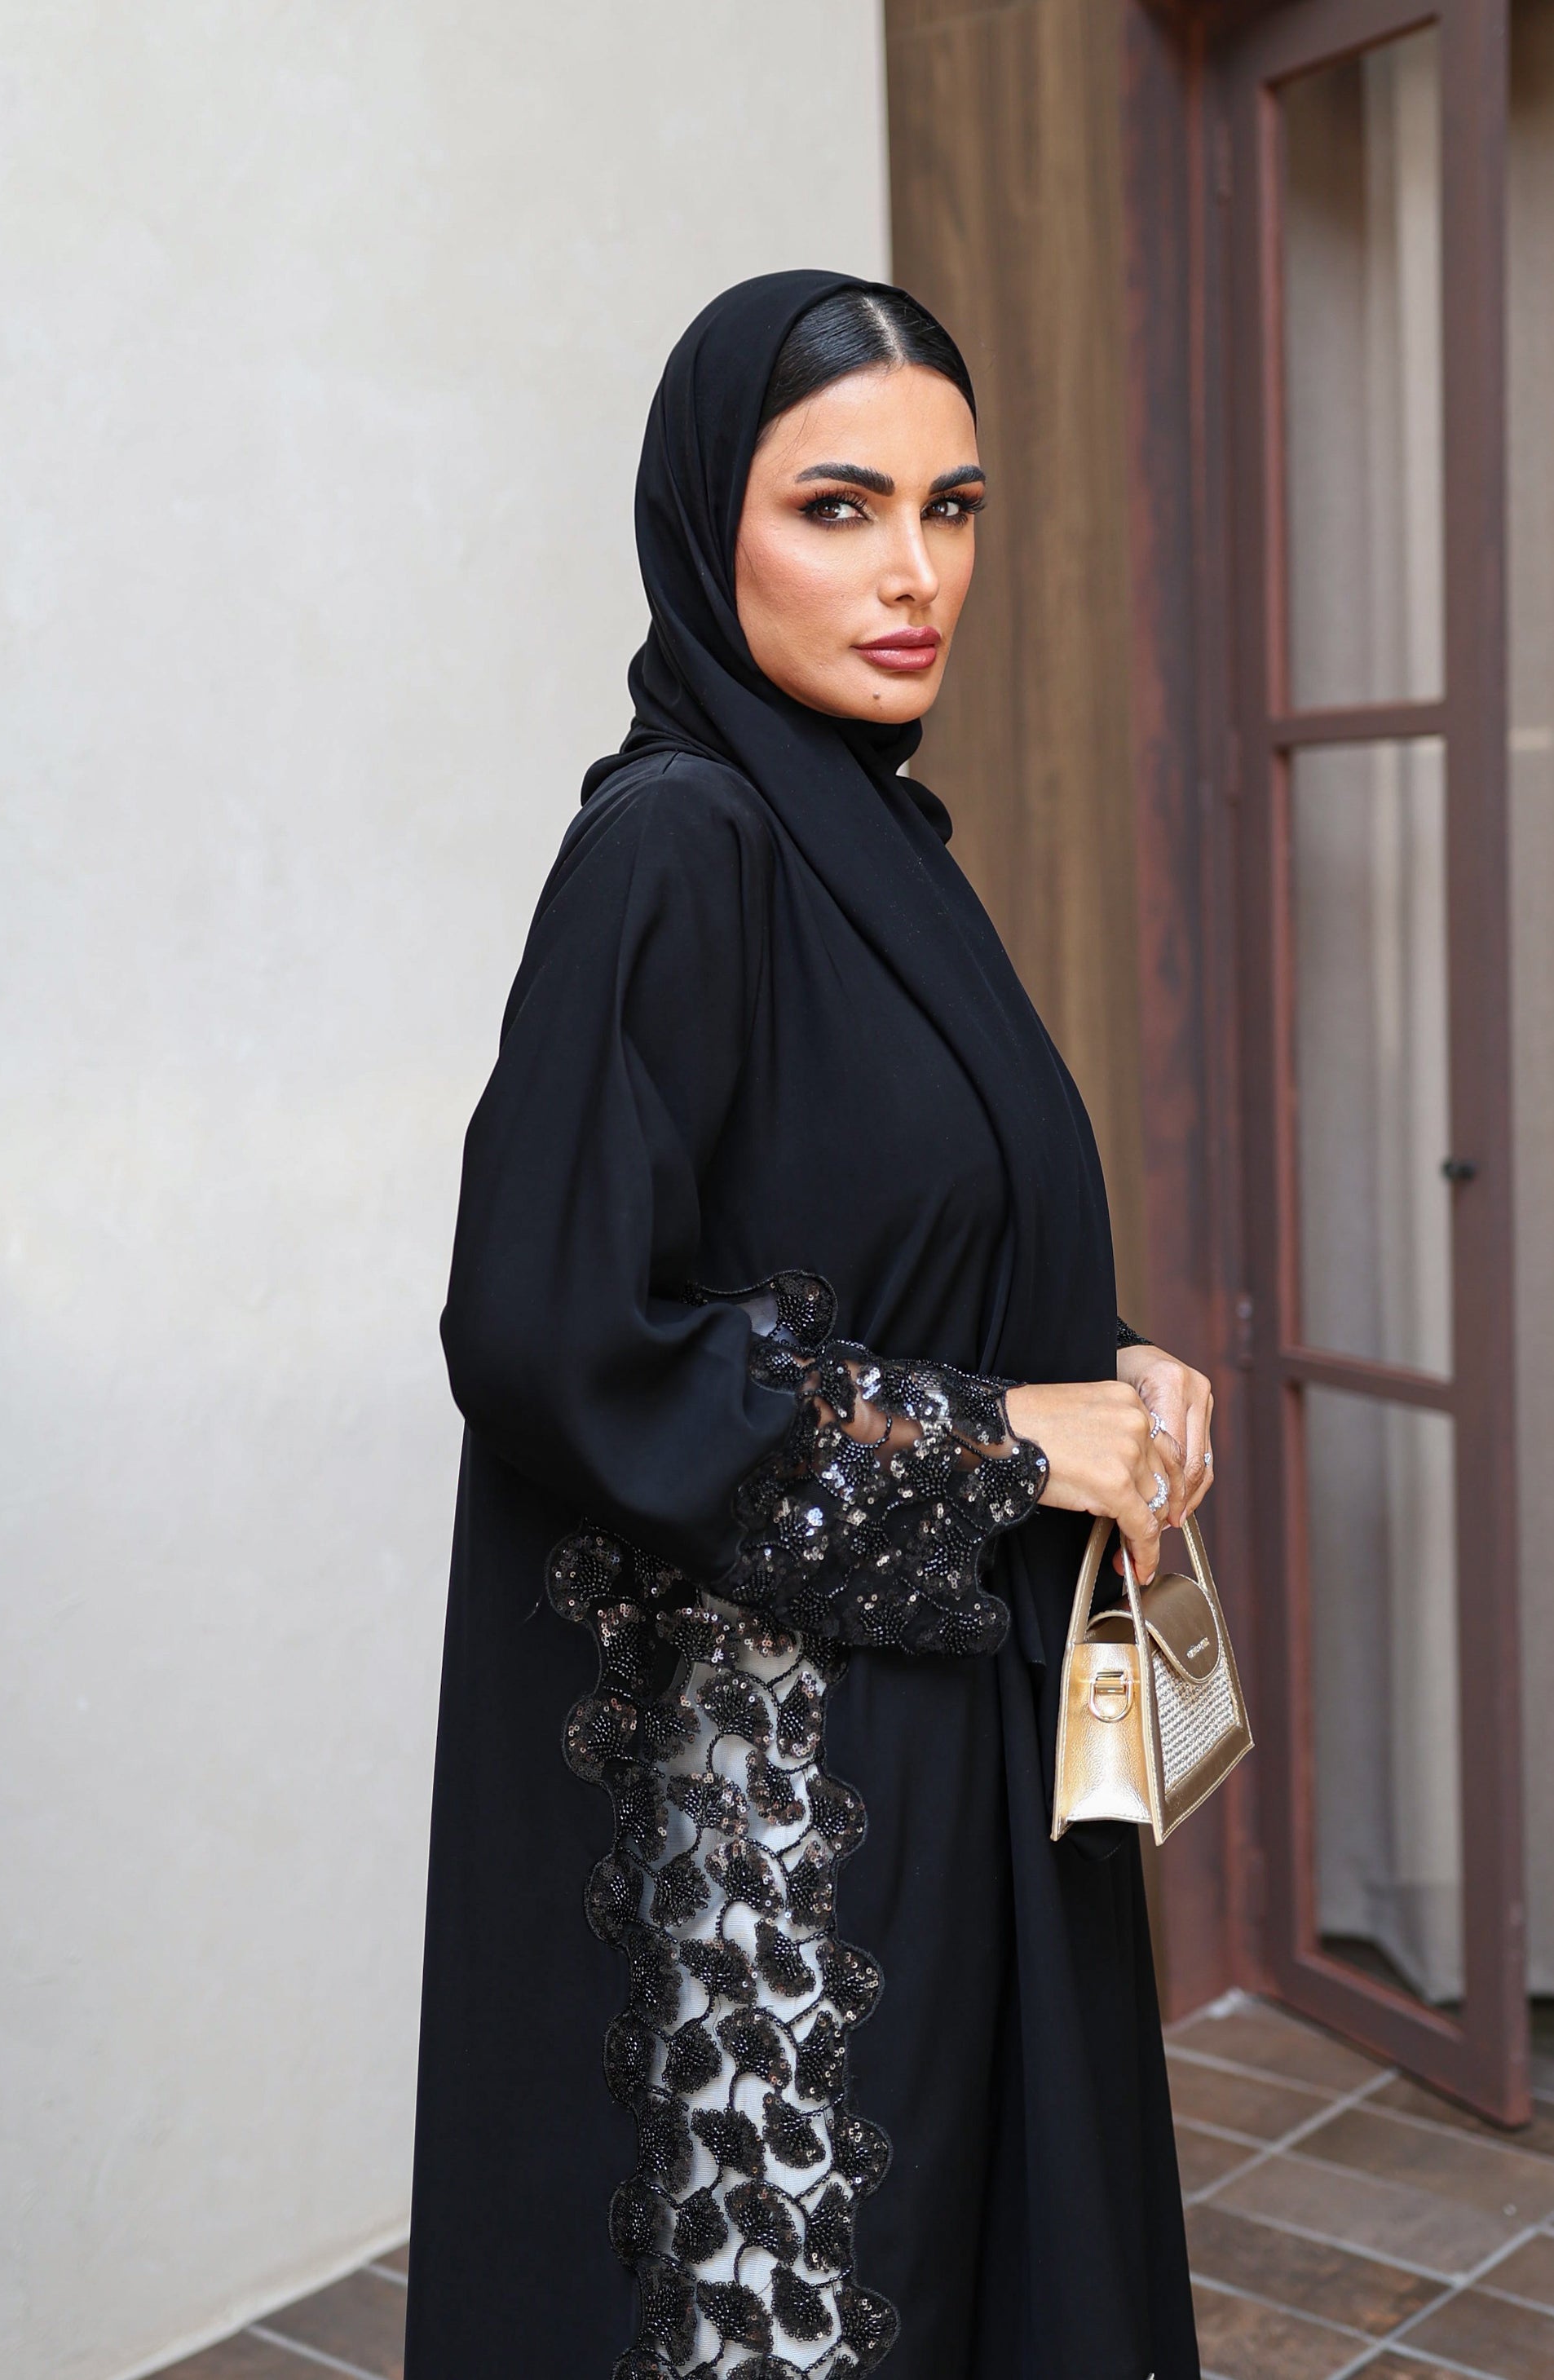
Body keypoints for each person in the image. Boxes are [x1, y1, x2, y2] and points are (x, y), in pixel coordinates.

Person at [404, 270, 1212, 2380]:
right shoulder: (675, 845)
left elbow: (875, 1232)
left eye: (952, 510)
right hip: (790, 1803)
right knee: (819, 2303)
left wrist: (1106, 1356)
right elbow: (559, 1330)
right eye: (838, 507)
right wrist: (1011, 1442)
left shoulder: (870, 838)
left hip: (948, 1734)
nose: (913, 573)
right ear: (708, 522)